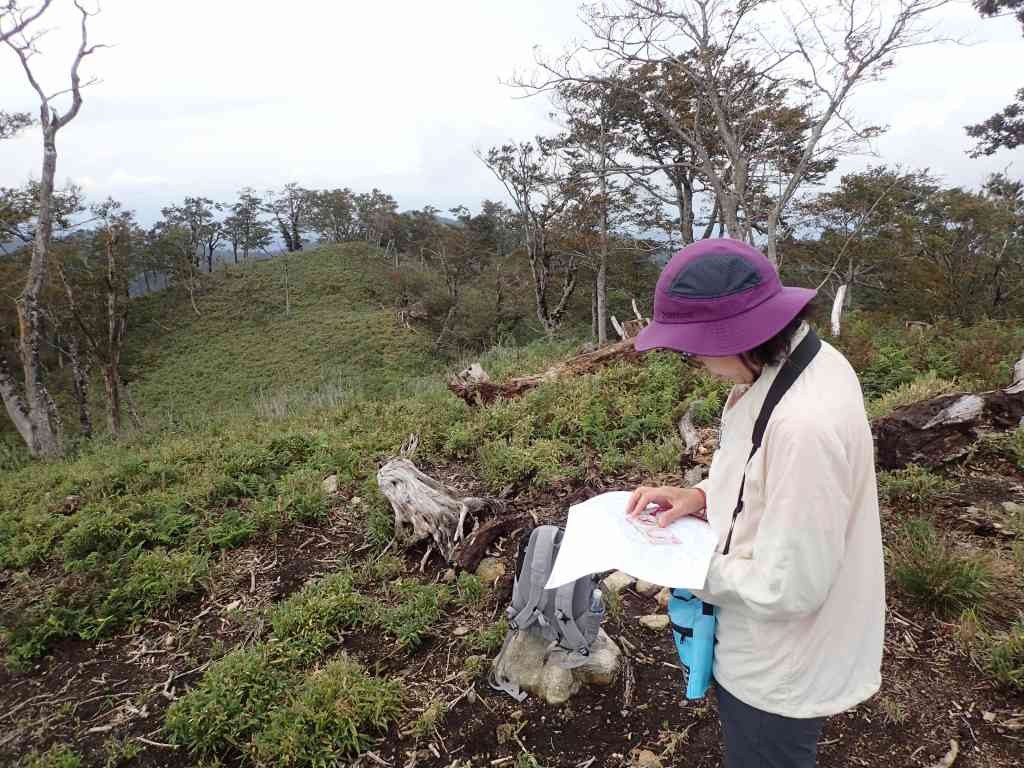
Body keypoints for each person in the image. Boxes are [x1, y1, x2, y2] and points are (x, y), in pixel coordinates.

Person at [624, 238, 885, 768]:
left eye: (693, 345)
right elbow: (753, 467)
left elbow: (789, 587)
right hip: (757, 632)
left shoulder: (805, 425)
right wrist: (700, 496)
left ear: (738, 334)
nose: (691, 358)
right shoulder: (789, 362)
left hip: (780, 662)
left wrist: (673, 562)